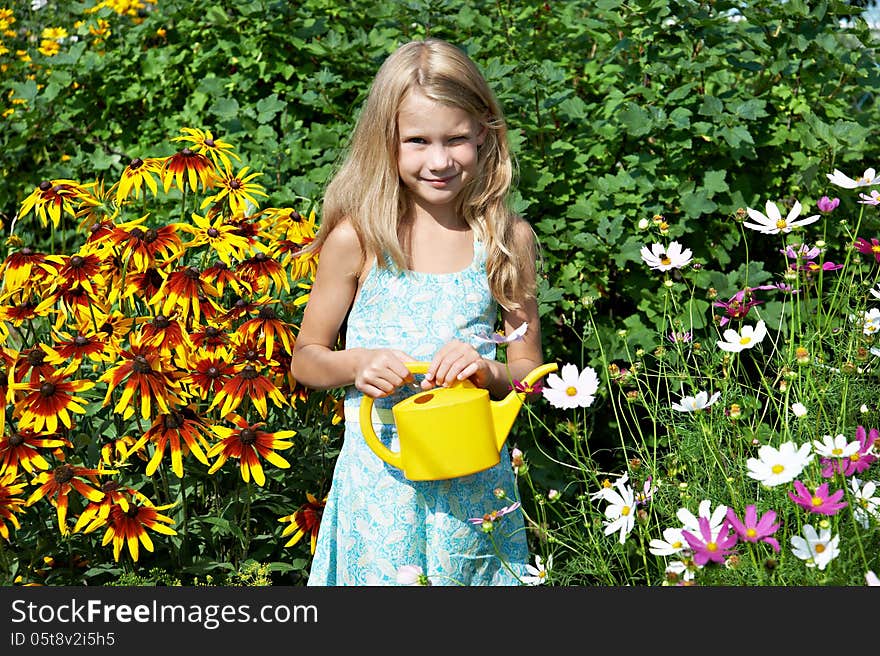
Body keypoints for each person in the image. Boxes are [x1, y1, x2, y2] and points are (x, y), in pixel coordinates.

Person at [290, 37, 545, 586]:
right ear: (388, 142)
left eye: (456, 139)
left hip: (474, 495)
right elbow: (306, 360)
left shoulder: (505, 240)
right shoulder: (357, 239)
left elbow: (528, 372)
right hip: (380, 491)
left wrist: (488, 370)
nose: (439, 160)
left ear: (484, 132)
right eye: (418, 141)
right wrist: (355, 365)